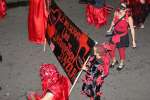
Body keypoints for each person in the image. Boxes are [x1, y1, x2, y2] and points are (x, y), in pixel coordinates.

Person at [107, 3, 136, 71]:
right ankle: (114, 61)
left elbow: (132, 29)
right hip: (115, 34)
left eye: (123, 9)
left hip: (122, 36)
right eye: (120, 8)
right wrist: (110, 28)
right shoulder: (116, 12)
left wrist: (133, 41)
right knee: (111, 49)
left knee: (121, 51)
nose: (121, 10)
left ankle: (122, 63)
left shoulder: (128, 17)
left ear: (126, 9)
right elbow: (113, 21)